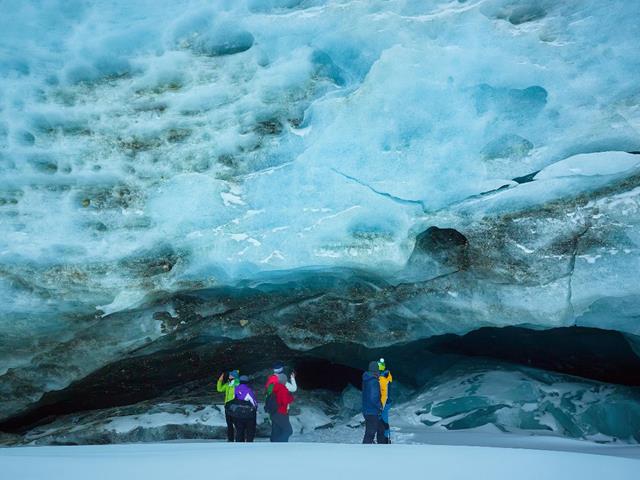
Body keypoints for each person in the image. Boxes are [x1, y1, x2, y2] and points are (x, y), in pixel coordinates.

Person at [362, 360, 386, 444]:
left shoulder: (368, 379)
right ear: (376, 370)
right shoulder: (373, 381)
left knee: (381, 429)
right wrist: (380, 406)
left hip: (369, 410)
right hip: (372, 411)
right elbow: (373, 397)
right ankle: (366, 451)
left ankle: (381, 449)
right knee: (370, 433)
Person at [228, 375, 258, 442]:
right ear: (247, 382)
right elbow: (254, 403)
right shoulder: (249, 390)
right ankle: (249, 446)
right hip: (249, 415)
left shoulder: (236, 389)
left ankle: (239, 446)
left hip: (237, 414)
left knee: (239, 431)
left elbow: (233, 400)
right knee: (250, 431)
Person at [270, 373, 294, 442]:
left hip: (273, 412)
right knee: (288, 431)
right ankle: (281, 445)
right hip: (281, 413)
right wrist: (290, 396)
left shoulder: (273, 387)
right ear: (284, 381)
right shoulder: (283, 389)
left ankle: (273, 446)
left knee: (276, 431)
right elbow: (286, 401)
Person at [217, 370, 240, 442]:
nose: (229, 376)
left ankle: (239, 439)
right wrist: (220, 381)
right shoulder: (228, 384)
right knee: (229, 424)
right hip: (227, 406)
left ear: (234, 377)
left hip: (235, 407)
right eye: (229, 375)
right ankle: (230, 439)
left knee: (237, 424)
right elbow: (219, 389)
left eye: (231, 375)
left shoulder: (237, 384)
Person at [378, 358, 393, 444]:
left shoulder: (383, 378)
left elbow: (384, 394)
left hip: (383, 404)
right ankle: (385, 440)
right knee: (384, 422)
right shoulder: (386, 377)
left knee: (383, 422)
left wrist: (381, 406)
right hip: (385, 403)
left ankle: (384, 441)